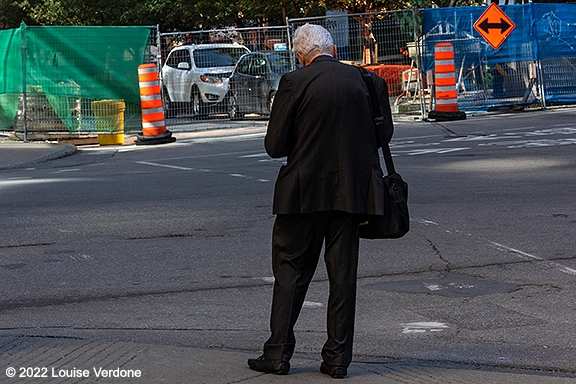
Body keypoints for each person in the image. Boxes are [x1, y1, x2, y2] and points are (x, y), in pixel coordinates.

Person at [248, 23, 394, 379]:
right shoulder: (366, 81)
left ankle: (278, 353)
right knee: (342, 276)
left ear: (301, 54)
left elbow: (274, 146)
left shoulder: (294, 83)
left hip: (302, 195)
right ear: (332, 49)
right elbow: (383, 135)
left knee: (290, 272)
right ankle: (337, 359)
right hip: (351, 194)